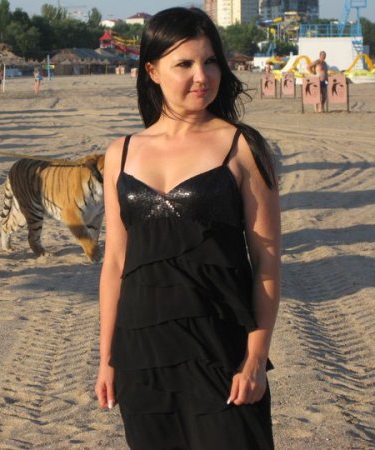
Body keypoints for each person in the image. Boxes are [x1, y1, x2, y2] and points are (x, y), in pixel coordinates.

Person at [95, 7, 280, 449]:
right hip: (143, 355)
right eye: (185, 64)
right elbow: (115, 263)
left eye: (210, 61)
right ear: (152, 71)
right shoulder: (120, 153)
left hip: (222, 353)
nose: (202, 76)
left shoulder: (242, 147)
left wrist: (256, 358)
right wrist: (107, 359)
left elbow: (267, 263)